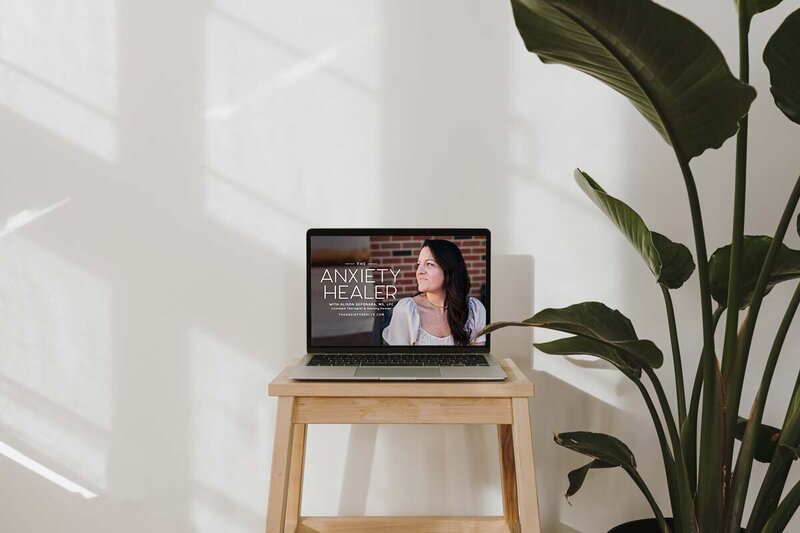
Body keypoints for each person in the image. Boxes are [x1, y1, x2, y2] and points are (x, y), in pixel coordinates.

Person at [382, 239, 486, 346]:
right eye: (419, 264)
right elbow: (399, 359)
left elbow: (479, 355)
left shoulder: (474, 309)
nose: (420, 271)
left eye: (429, 264)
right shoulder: (407, 310)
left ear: (449, 270)